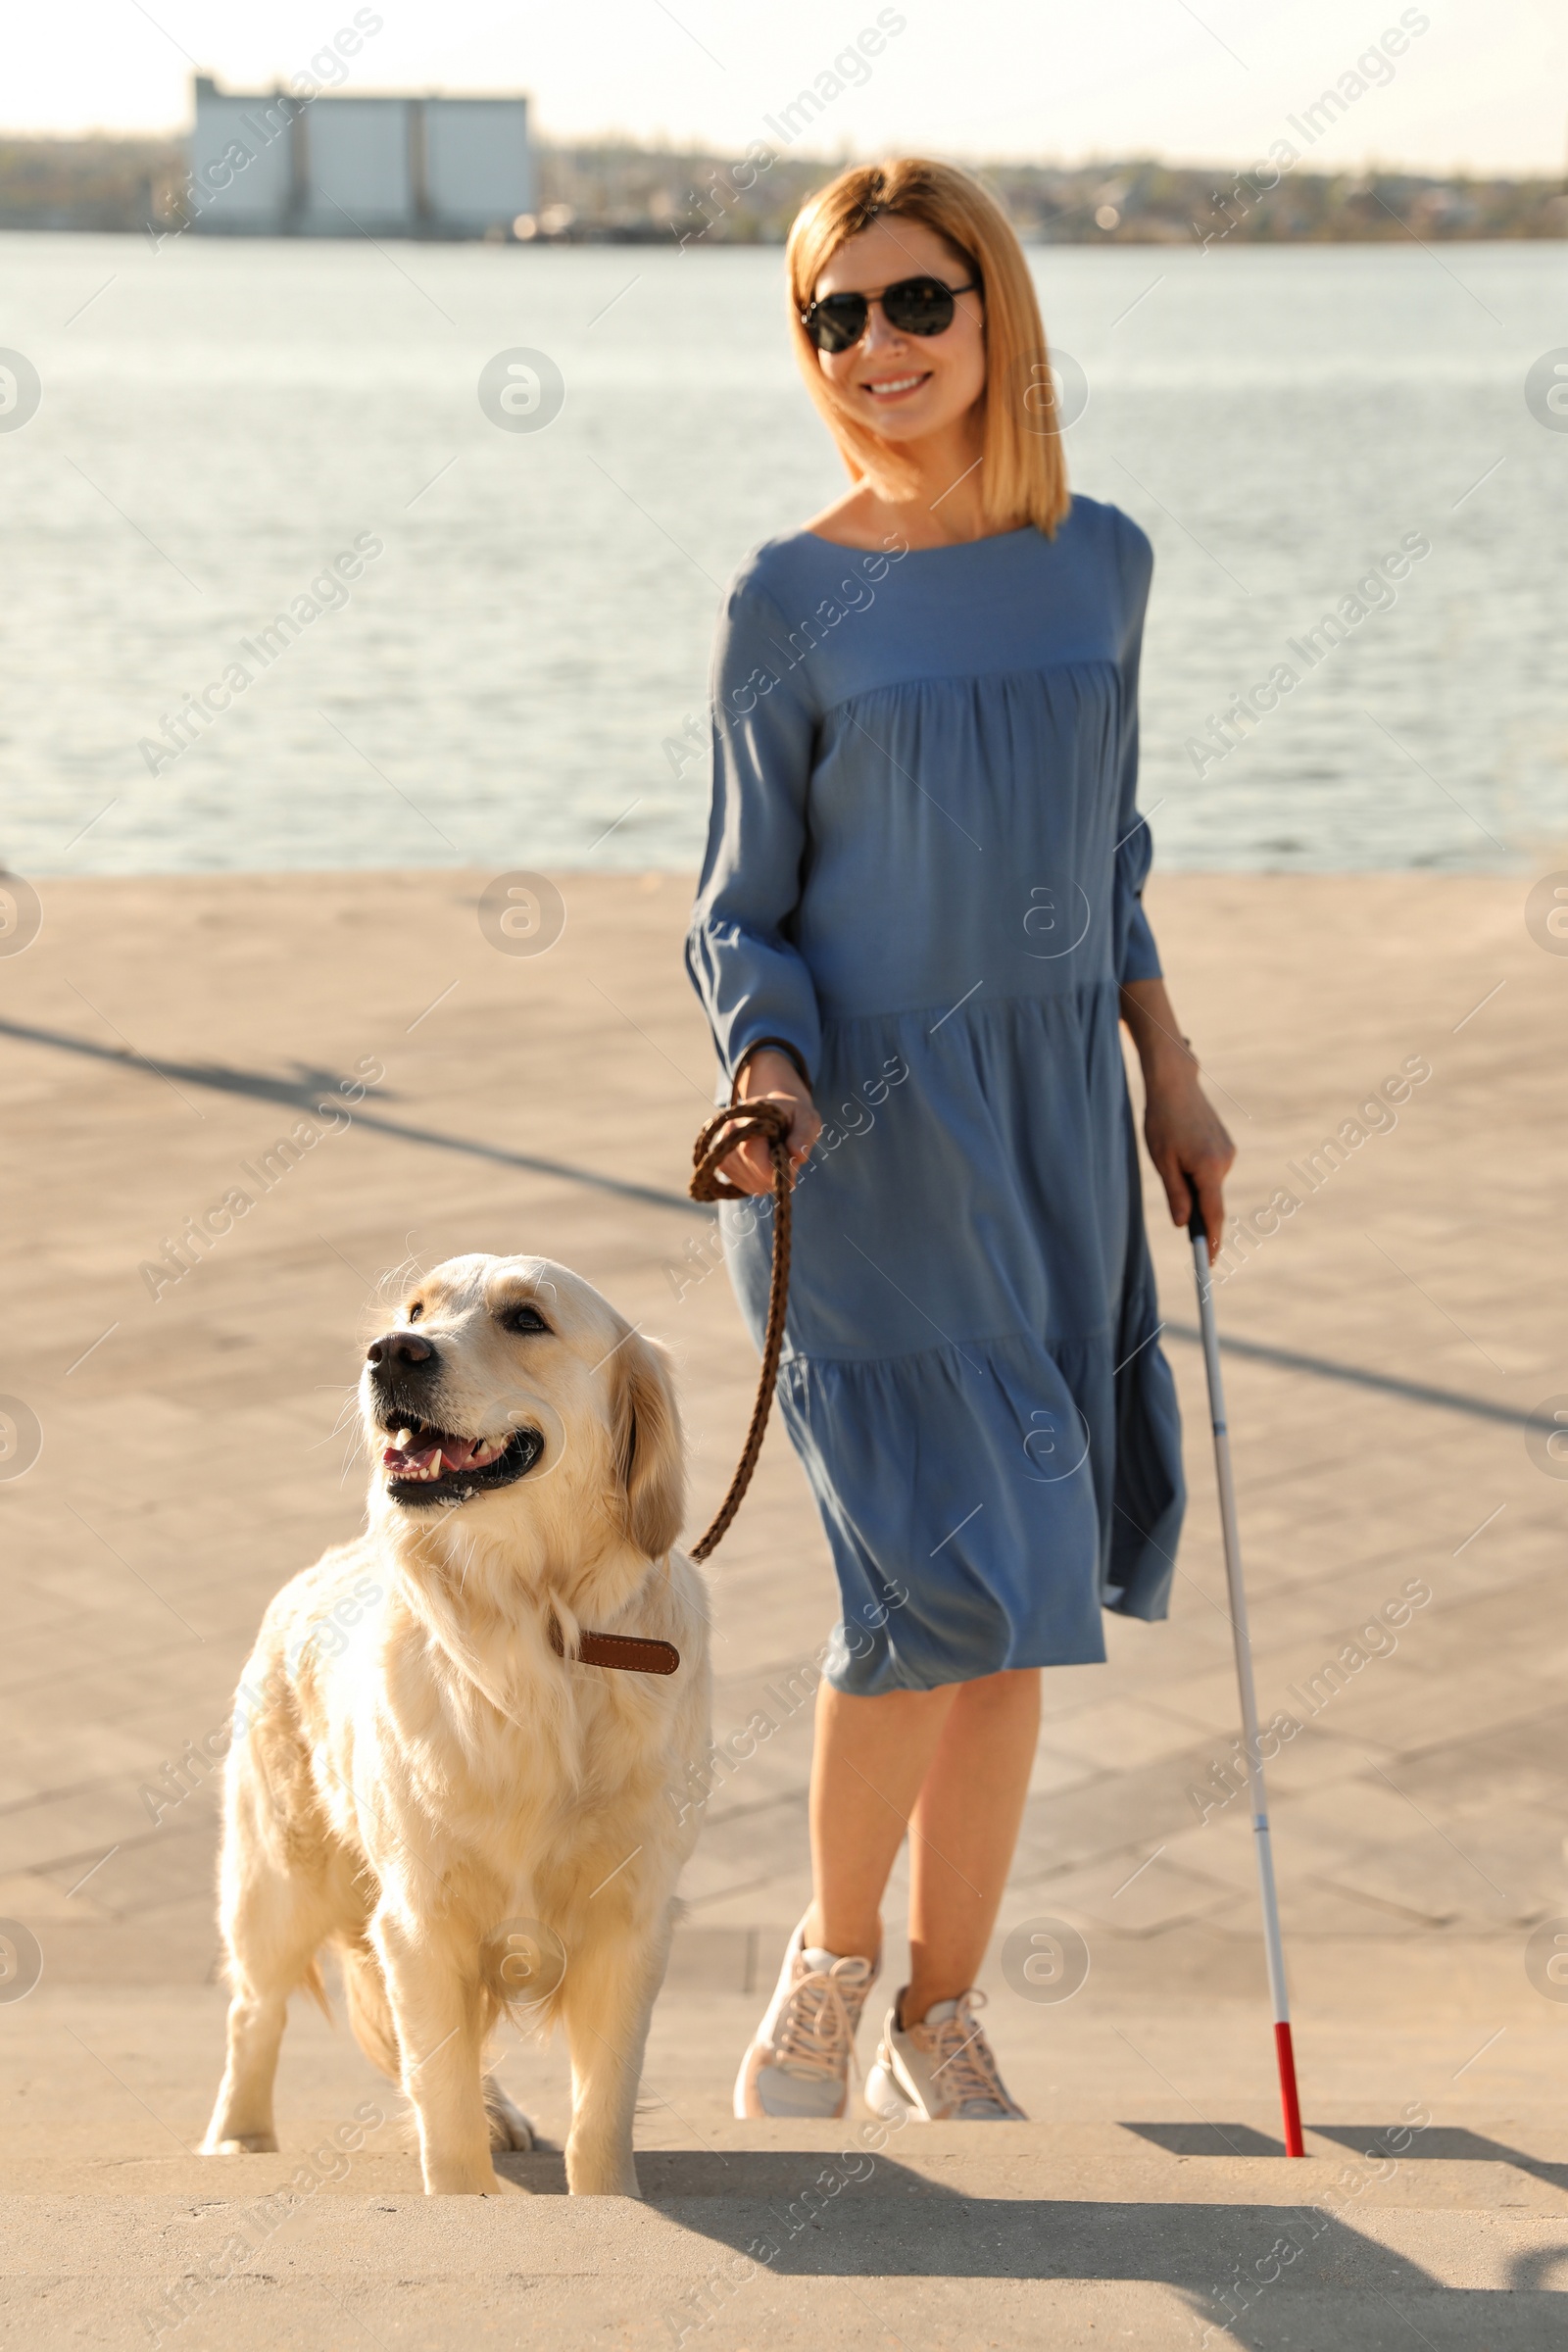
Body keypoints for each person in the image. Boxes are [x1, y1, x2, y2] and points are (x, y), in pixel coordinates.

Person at [685, 158, 1235, 2126]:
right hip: (852, 1159)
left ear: (993, 312)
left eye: (913, 303)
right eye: (832, 317)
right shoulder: (788, 594)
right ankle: (830, 1974)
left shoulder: (1105, 564)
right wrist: (761, 1069)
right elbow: (735, 906)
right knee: (916, 1591)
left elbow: (1110, 860)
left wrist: (1164, 1075)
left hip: (1052, 1145)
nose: (875, 349)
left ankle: (940, 2005)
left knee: (1016, 1596)